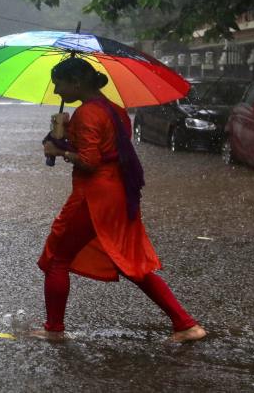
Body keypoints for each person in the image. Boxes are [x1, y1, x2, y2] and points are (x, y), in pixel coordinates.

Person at [36, 57, 207, 343]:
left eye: (59, 84)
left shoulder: (88, 114)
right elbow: (105, 149)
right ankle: (185, 323)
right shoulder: (113, 109)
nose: (56, 92)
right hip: (117, 194)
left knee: (56, 258)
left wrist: (59, 151)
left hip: (92, 196)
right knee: (126, 260)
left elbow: (90, 161)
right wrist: (65, 137)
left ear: (76, 83)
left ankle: (53, 330)